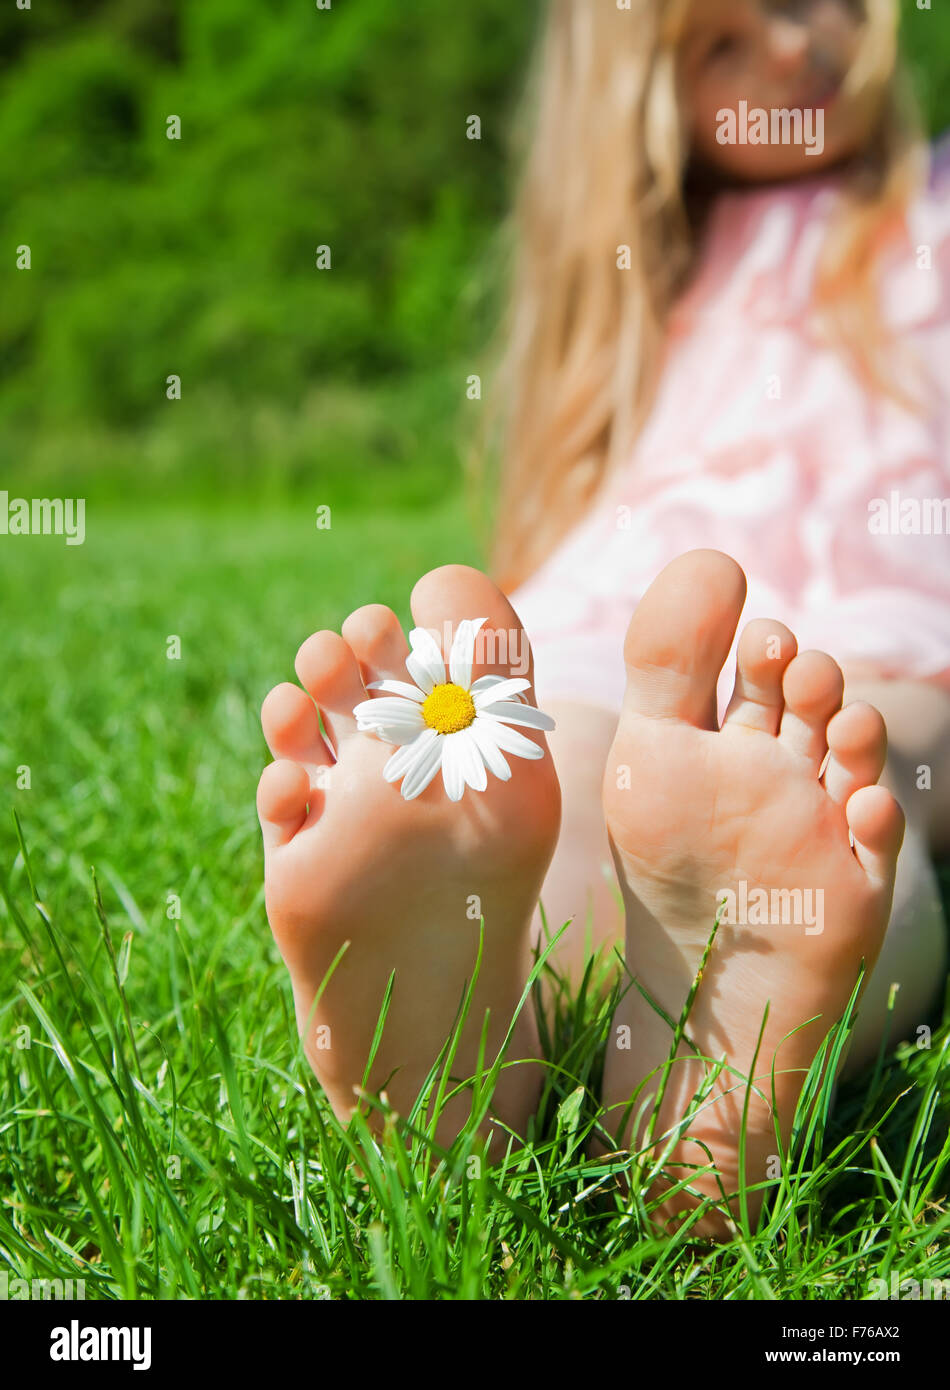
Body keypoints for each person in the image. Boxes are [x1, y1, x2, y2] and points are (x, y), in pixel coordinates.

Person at [256, 0, 950, 1233]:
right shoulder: (646, 267)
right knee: (564, 763)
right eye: (722, 47)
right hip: (625, 627)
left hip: (887, 619)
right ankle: (478, 1049)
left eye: (807, 3)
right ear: (645, 104)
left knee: (858, 774)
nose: (792, 52)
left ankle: (697, 1064)